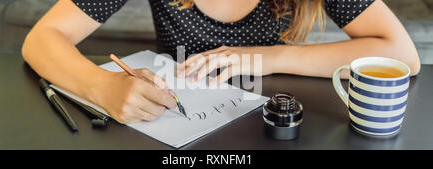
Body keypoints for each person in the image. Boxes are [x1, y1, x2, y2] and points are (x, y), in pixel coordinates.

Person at [22, 0, 421, 124]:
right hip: (175, 120)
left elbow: (401, 53)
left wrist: (272, 56)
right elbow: (42, 38)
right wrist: (102, 87)